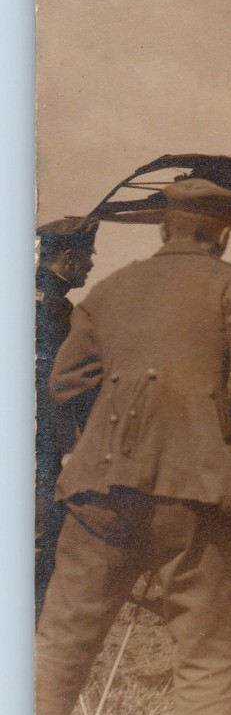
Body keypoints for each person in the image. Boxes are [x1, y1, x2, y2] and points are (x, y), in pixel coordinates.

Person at [36, 178, 231, 715]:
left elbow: (64, 386)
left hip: (98, 491)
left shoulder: (110, 289)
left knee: (60, 645)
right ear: (223, 233)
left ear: (163, 227)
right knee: (205, 656)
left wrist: (115, 425)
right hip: (193, 491)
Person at [35, 215, 98, 617]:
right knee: (42, 529)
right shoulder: (54, 310)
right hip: (40, 442)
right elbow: (54, 387)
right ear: (70, 258)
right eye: (87, 256)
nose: (91, 264)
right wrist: (74, 442)